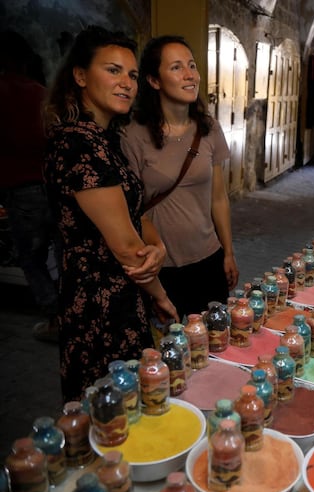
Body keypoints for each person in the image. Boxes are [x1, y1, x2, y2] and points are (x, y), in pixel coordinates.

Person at [43, 26, 178, 402]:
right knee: (109, 410)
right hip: (97, 302)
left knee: (130, 403)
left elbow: (135, 215)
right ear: (81, 75)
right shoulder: (77, 143)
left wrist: (159, 247)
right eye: (113, 70)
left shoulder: (106, 140)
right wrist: (160, 295)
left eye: (132, 75)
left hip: (122, 293)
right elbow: (123, 246)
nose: (127, 83)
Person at [122, 35, 238, 319]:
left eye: (191, 65)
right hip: (161, 266)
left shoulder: (208, 128)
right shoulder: (133, 135)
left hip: (207, 258)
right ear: (154, 81)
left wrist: (228, 252)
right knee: (168, 354)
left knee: (212, 349)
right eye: (176, 67)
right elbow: (128, 209)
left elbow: (219, 198)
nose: (190, 75)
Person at [0, 30, 60, 343]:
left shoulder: (4, 91)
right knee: (61, 253)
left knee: (31, 258)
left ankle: (54, 317)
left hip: (21, 188)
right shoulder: (41, 93)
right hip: (53, 186)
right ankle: (68, 314)